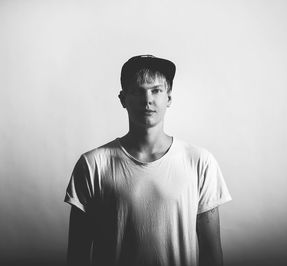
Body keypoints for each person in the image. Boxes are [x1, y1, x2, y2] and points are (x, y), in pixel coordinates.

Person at [64, 55, 232, 266]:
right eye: (137, 91)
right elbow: (77, 255)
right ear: (123, 99)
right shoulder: (92, 165)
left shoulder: (200, 162)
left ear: (169, 97)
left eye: (156, 90)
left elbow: (211, 253)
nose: (147, 100)